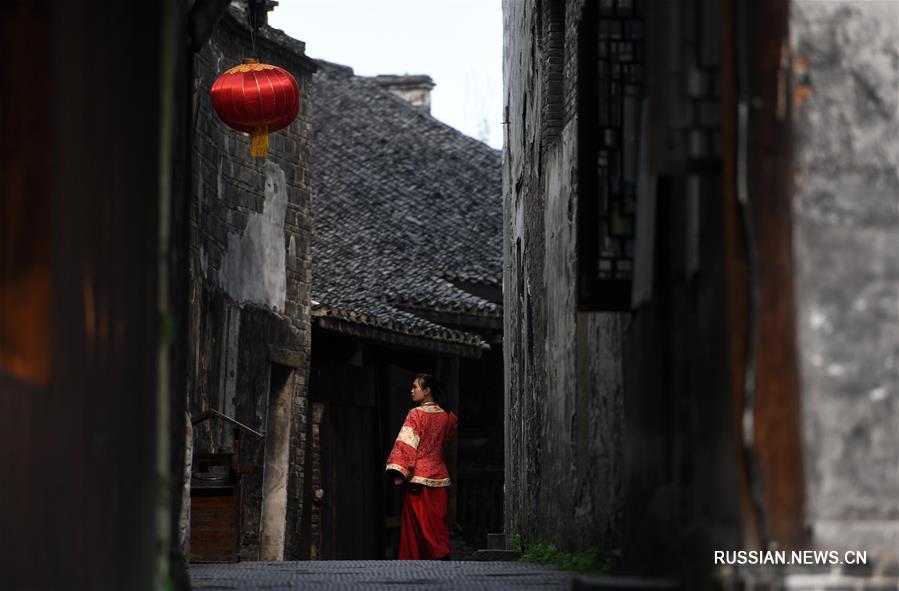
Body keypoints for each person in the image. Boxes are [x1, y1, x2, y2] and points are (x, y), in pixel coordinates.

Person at [385, 373, 458, 560]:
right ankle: (441, 553)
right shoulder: (448, 417)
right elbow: (445, 438)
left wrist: (400, 470)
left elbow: (407, 444)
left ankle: (427, 558)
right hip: (440, 478)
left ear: (427, 391)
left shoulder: (415, 414)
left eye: (415, 387)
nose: (411, 390)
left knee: (417, 526)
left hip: (417, 479)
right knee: (437, 523)